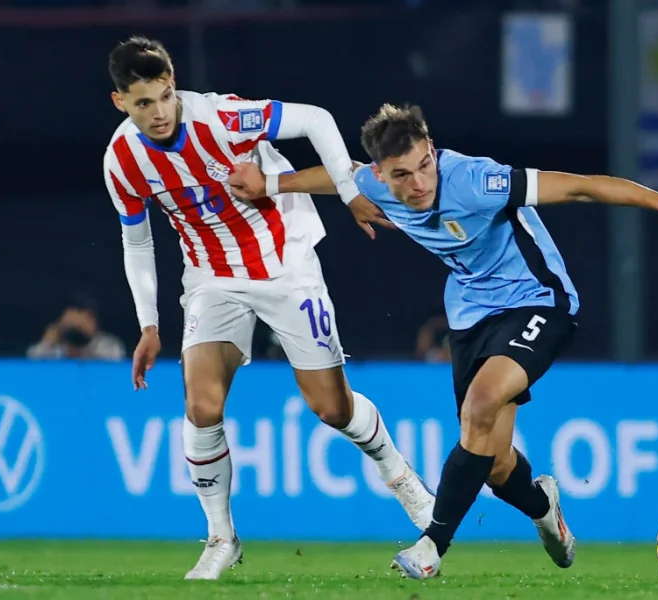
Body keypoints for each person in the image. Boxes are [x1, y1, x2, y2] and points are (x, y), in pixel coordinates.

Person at [227, 103, 658, 579]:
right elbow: (335, 178)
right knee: (494, 465)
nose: (420, 182)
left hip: (537, 300)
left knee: (480, 405)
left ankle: (432, 545)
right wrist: (269, 182)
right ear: (381, 174)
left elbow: (583, 187)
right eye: (402, 175)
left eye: (424, 165)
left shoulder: (478, 180)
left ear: (432, 148)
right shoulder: (373, 183)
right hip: (471, 318)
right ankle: (544, 508)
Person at [102, 40, 433, 580]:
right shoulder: (122, 161)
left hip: (284, 262)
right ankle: (220, 538)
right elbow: (136, 241)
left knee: (332, 409)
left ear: (173, 81)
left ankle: (403, 480)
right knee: (201, 404)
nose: (158, 112)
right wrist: (148, 323)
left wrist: (350, 193)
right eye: (143, 104)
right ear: (120, 102)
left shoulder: (223, 116)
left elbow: (318, 120)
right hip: (212, 278)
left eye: (164, 96)